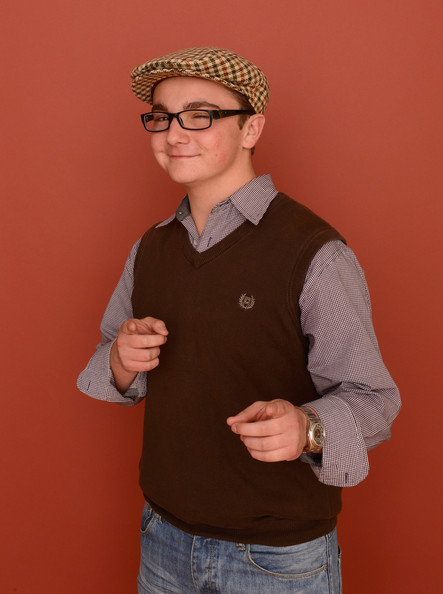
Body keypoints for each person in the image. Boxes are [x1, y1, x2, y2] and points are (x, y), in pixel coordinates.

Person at [77, 47, 400, 593]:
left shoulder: (314, 252)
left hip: (276, 559)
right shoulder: (150, 249)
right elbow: (112, 354)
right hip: (162, 537)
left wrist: (308, 427)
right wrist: (120, 359)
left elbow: (375, 399)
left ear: (252, 128)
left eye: (200, 115)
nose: (175, 133)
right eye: (161, 116)